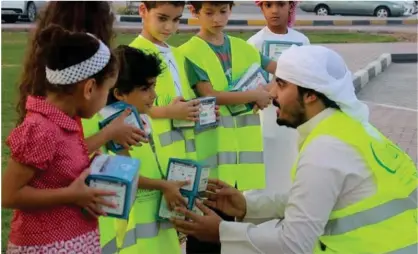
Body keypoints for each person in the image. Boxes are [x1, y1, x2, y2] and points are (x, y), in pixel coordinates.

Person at [171, 45, 418, 254]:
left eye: (281, 84)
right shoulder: (349, 128)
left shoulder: (326, 149)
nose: (272, 92)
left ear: (310, 94)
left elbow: (293, 243)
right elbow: (317, 201)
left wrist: (221, 233)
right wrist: (248, 207)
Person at [2, 25, 119, 253]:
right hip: (46, 246)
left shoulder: (66, 121)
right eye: (108, 91)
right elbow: (8, 194)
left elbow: (58, 170)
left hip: (73, 240)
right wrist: (72, 195)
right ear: (89, 88)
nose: (107, 100)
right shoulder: (42, 129)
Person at [178, 1, 277, 253]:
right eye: (209, 13)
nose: (217, 19)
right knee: (203, 228)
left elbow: (281, 69)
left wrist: (269, 91)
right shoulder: (189, 52)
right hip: (209, 155)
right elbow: (210, 94)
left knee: (228, 231)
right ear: (195, 13)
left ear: (231, 10)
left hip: (238, 159)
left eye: (223, 12)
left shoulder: (243, 48)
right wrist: (254, 95)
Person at [82, 45, 186, 254]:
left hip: (156, 229)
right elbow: (121, 173)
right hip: (130, 233)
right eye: (146, 89)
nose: (154, 95)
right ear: (119, 93)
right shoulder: (106, 124)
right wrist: (163, 185)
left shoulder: (139, 117)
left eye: (154, 86)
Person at [17, 1, 145, 155]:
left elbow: (66, 152)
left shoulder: (53, 91)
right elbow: (60, 153)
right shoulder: (44, 125)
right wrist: (107, 134)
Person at [247, 0, 310, 195]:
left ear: (290, 7)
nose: (274, 10)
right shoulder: (253, 44)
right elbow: (249, 84)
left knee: (292, 168)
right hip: (264, 119)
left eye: (280, 4)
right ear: (262, 8)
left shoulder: (302, 42)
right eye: (268, 5)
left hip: (294, 121)